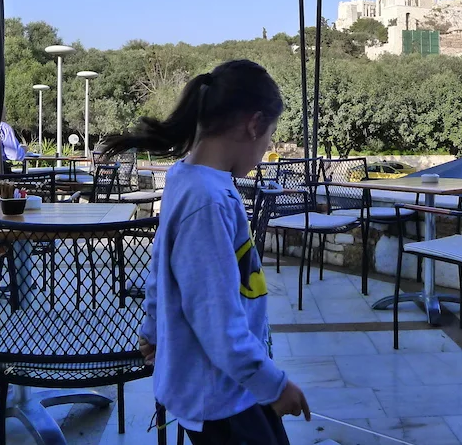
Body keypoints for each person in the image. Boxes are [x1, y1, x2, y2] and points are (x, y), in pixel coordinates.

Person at [101, 59, 309, 445]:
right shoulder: (207, 200)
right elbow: (217, 320)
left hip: (233, 386)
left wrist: (152, 331)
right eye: (270, 135)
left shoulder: (186, 177)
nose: (267, 149)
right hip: (222, 396)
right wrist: (276, 386)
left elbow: (158, 273)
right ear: (254, 124)